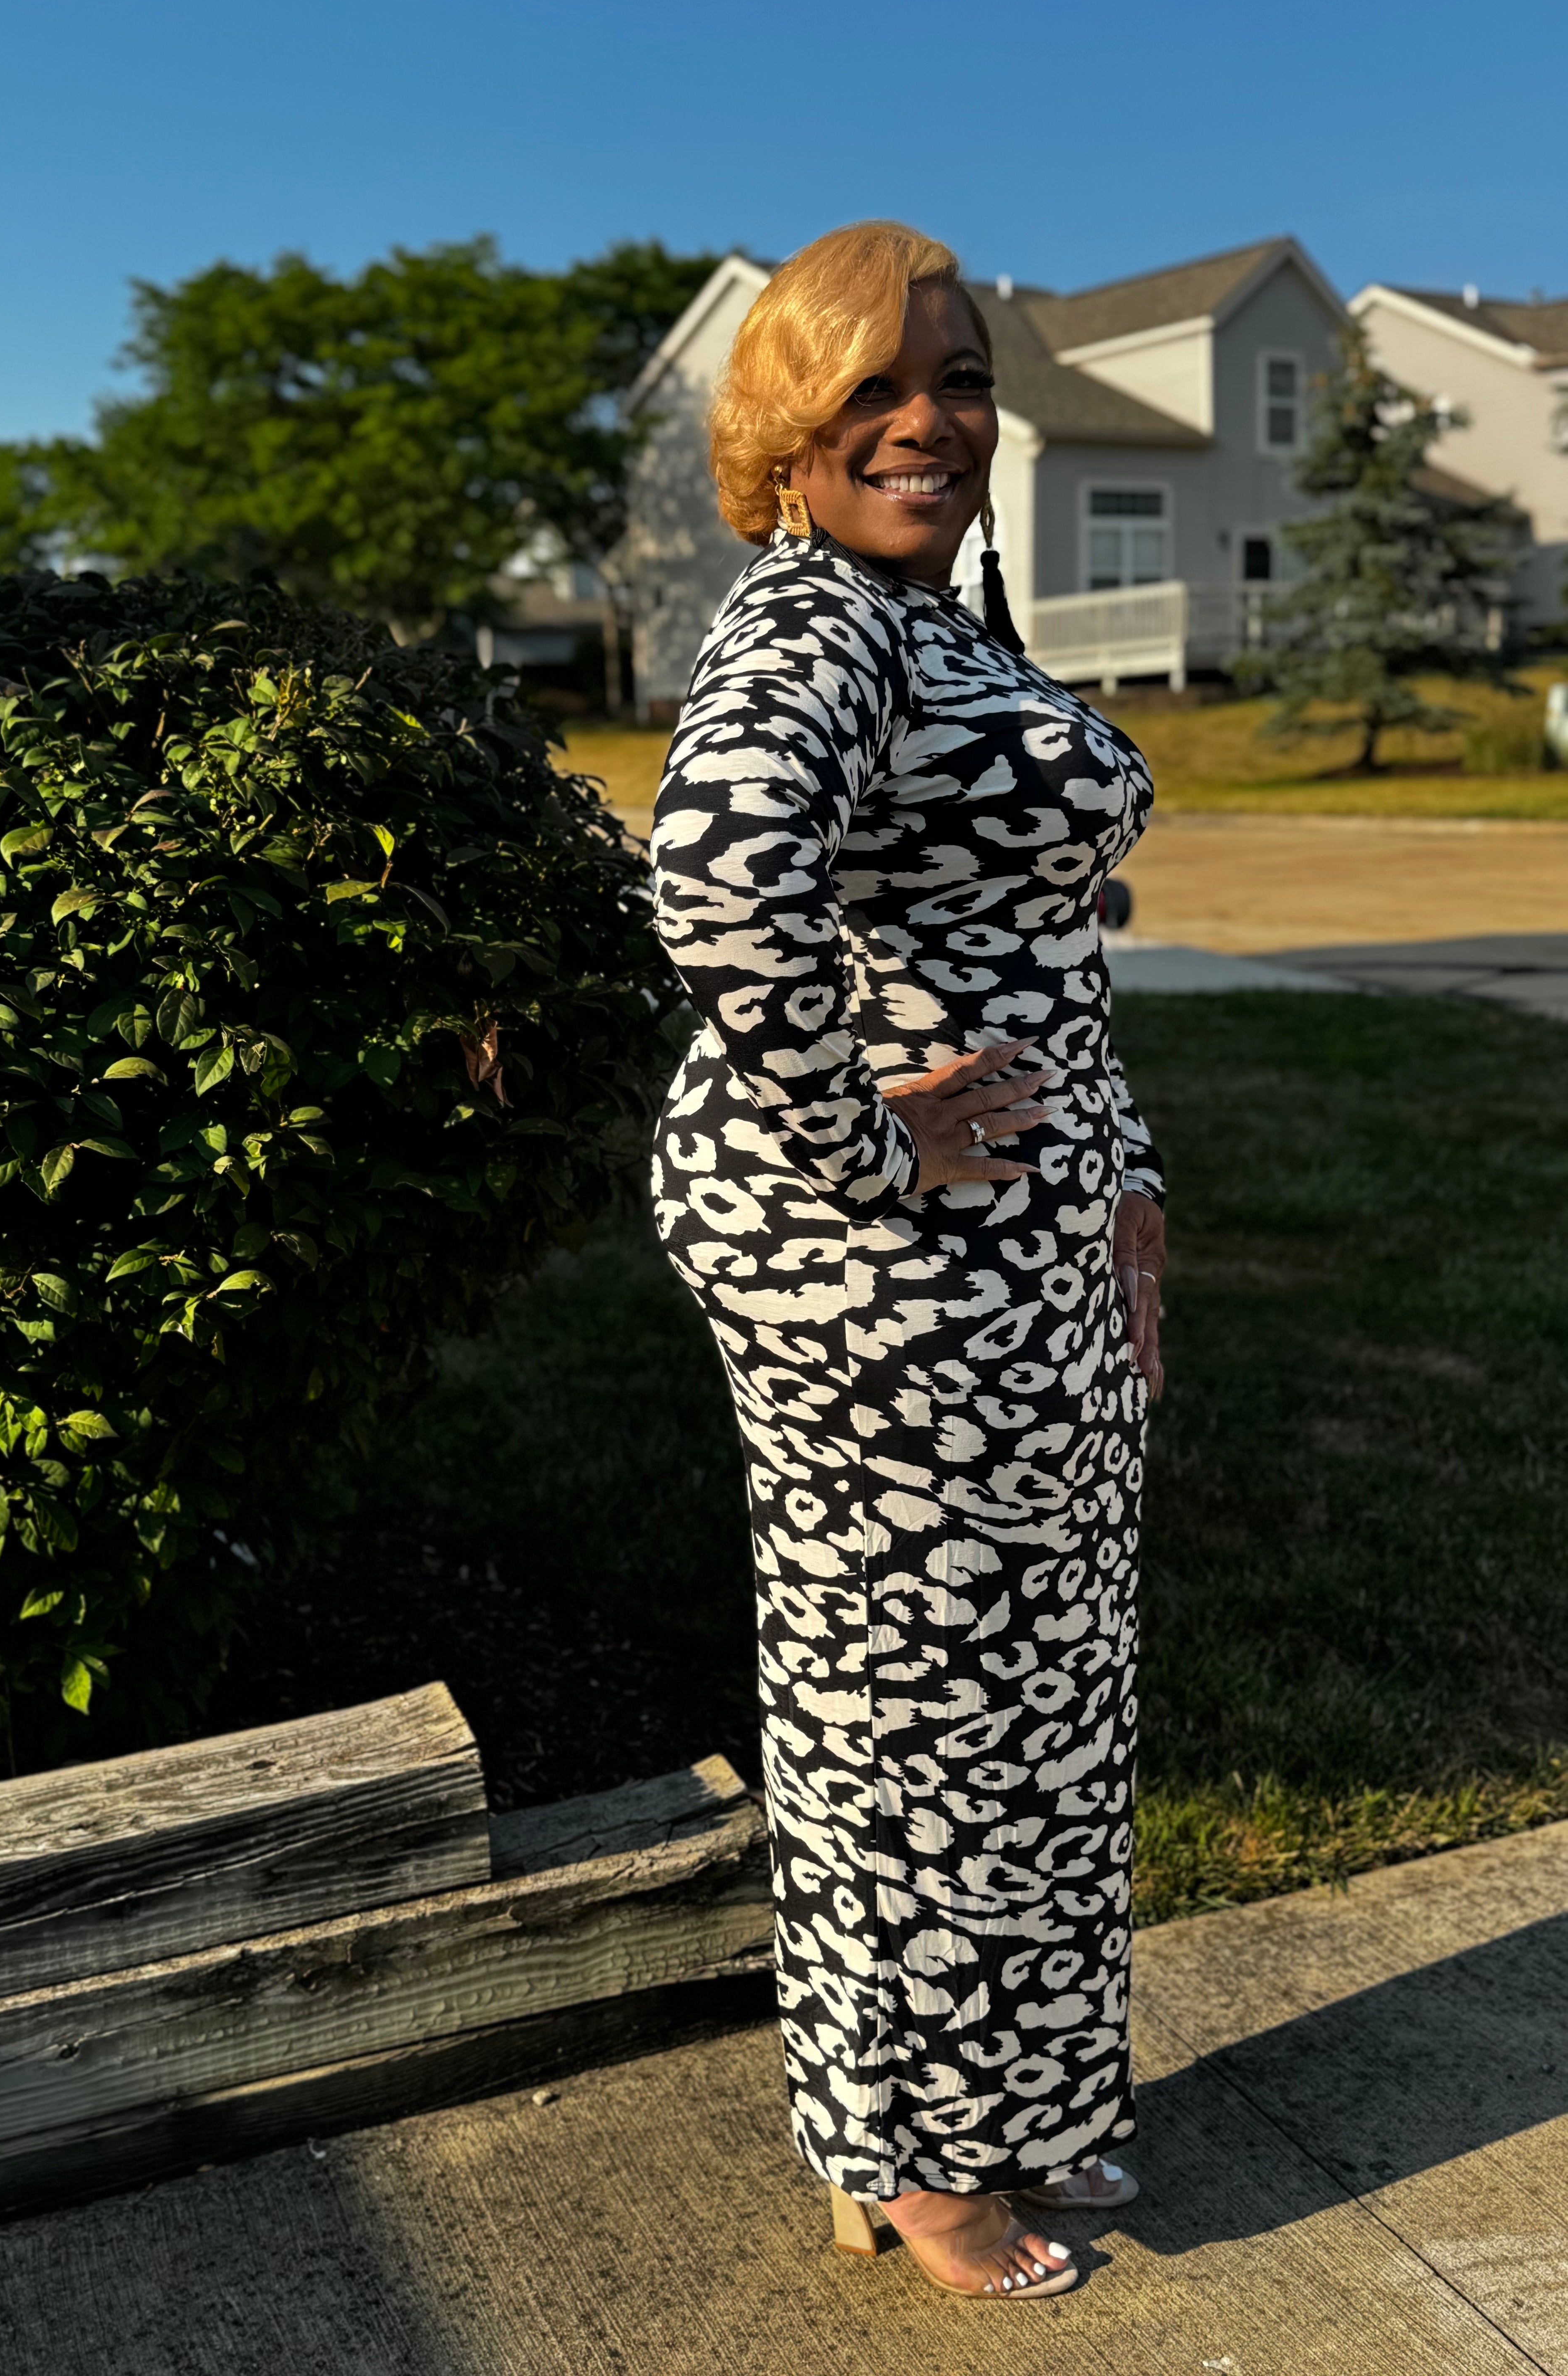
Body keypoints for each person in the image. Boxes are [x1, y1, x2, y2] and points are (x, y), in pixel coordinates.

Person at [649, 220, 1167, 2303]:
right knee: (918, 1716)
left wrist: (1120, 1190)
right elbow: (715, 880)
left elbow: (1024, 945)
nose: (930, 421)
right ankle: (920, 2153)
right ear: (789, 422)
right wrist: (869, 1132)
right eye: (876, 387)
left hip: (1016, 1249)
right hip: (892, 1275)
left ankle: (1028, 2104)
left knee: (1042, 1695)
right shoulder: (818, 626)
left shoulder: (922, 614)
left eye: (955, 378)